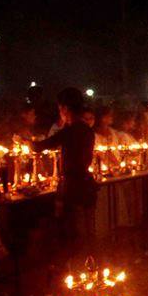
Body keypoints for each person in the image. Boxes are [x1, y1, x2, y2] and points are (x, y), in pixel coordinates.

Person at [34, 88, 98, 260]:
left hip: (74, 185)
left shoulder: (71, 130)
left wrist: (25, 142)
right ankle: (90, 264)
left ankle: (76, 267)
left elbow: (42, 145)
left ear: (65, 109)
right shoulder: (86, 130)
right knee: (88, 230)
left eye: (60, 108)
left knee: (73, 230)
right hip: (87, 183)